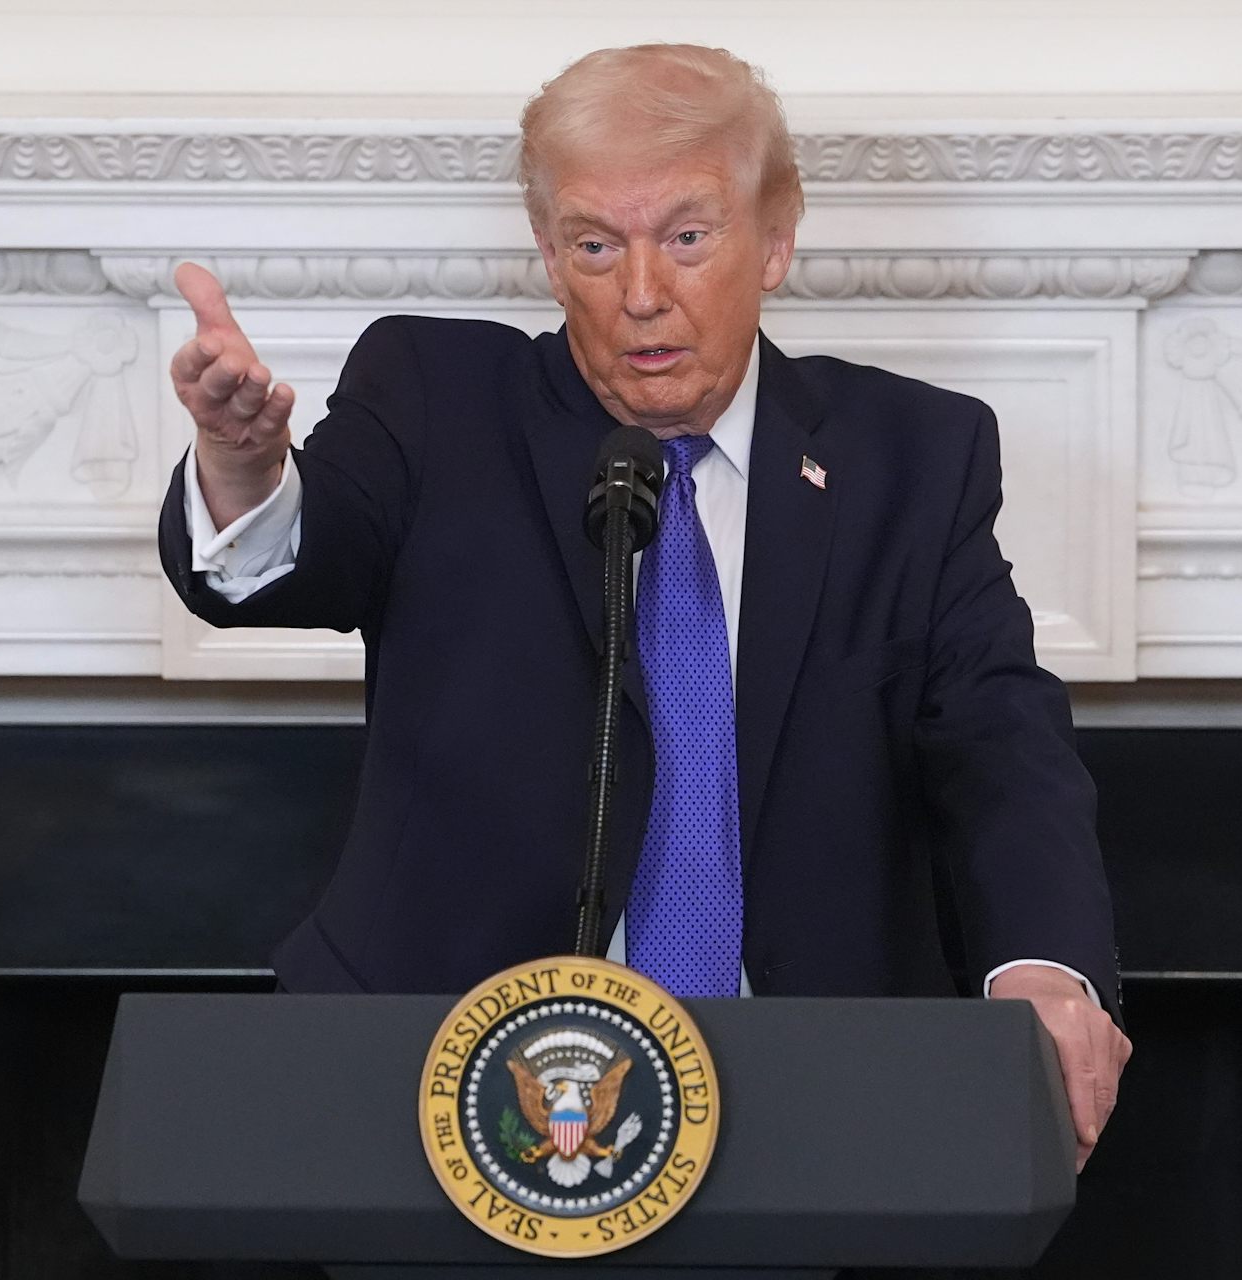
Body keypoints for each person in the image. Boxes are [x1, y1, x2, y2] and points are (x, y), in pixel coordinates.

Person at [159, 43, 1130, 1171]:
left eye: (686, 235)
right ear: (547, 254)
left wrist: (1046, 967)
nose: (641, 294)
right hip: (450, 1094)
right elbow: (295, 559)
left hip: (813, 1099)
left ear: (775, 237)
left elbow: (1001, 741)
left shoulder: (912, 459)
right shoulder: (435, 401)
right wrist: (243, 466)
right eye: (594, 244)